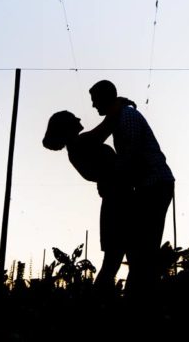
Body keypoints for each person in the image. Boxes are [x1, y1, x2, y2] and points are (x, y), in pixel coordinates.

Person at [81, 80, 175, 293]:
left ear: (106, 98)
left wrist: (110, 179)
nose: (94, 106)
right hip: (147, 185)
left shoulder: (127, 116)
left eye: (95, 101)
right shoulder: (118, 117)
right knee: (139, 249)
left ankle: (141, 298)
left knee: (143, 248)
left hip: (154, 184)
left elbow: (130, 156)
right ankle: (139, 296)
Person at [42, 110, 131, 287]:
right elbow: (107, 126)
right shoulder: (82, 143)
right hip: (118, 202)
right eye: (74, 117)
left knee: (113, 262)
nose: (79, 118)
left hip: (113, 202)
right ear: (67, 126)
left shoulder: (75, 150)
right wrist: (117, 104)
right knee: (115, 262)